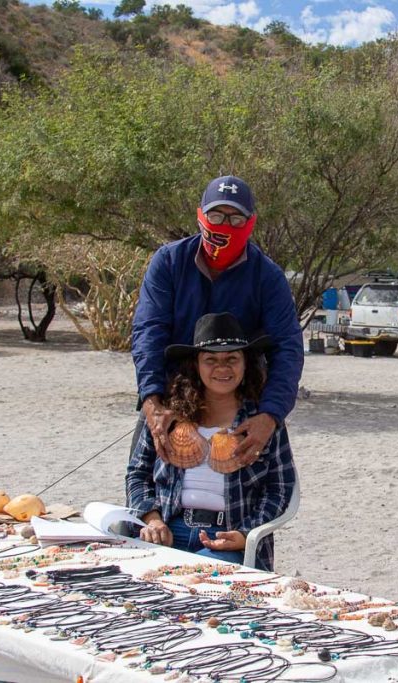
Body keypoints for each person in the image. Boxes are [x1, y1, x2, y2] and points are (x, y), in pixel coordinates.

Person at [131, 175, 304, 469]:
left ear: (251, 223)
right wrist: (151, 400)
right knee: (147, 481)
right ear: (200, 215)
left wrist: (270, 415)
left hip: (240, 406)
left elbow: (287, 347)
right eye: (216, 215)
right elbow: (149, 331)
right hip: (171, 399)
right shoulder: (169, 263)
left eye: (237, 219)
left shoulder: (268, 277)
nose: (225, 225)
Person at [126, 313, 296, 571]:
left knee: (198, 584)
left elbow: (281, 487)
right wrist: (152, 519)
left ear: (245, 363)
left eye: (232, 359)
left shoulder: (263, 422)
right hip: (169, 529)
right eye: (211, 360)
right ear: (196, 365)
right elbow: (137, 474)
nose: (222, 368)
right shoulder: (168, 415)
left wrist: (245, 533)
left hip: (229, 537)